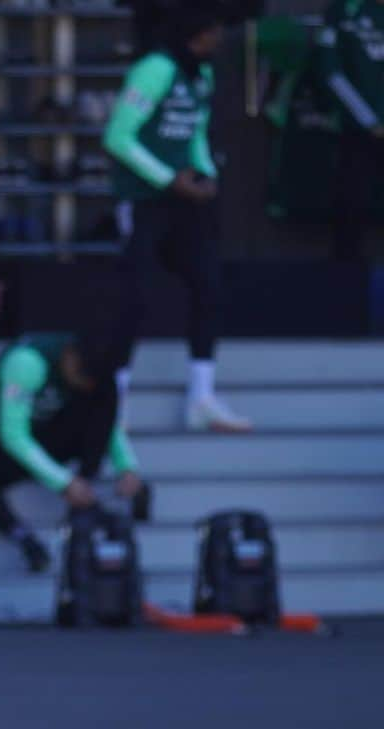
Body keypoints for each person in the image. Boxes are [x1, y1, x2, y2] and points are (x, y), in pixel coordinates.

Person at [104, 7, 252, 433]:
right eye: (215, 32)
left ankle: (201, 397)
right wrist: (170, 180)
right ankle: (113, 403)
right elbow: (118, 136)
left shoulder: (200, 75)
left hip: (186, 202)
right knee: (136, 296)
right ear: (196, 35)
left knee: (209, 286)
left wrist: (207, 176)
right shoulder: (155, 69)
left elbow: (196, 135)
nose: (220, 40)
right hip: (146, 200)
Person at [0, 334, 146, 560]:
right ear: (70, 357)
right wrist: (63, 481)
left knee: (100, 402)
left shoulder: (91, 376)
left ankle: (88, 495)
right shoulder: (27, 363)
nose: (86, 384)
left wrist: (127, 466)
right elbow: (13, 435)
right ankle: (19, 533)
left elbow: (106, 420)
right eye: (83, 377)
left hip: (49, 438)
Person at [317, 0, 384, 260]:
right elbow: (329, 70)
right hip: (358, 129)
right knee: (351, 204)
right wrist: (369, 121)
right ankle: (347, 281)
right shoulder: (344, 11)